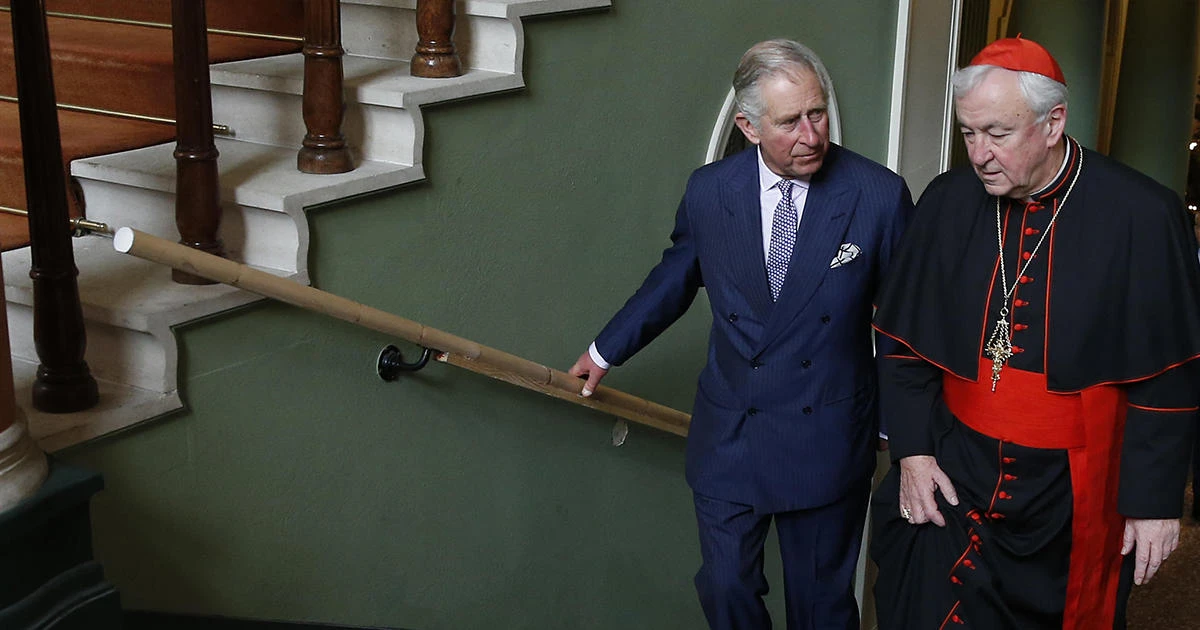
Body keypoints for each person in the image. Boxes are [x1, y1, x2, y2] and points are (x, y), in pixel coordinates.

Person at [568, 39, 912, 629]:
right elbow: (674, 278)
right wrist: (605, 349)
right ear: (749, 127)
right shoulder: (710, 190)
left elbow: (903, 319)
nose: (812, 134)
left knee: (821, 608)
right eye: (789, 122)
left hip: (826, 431)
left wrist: (890, 422)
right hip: (731, 429)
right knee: (725, 589)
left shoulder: (878, 195)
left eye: (818, 112)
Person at [869, 36, 1200, 630]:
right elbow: (904, 346)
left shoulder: (1142, 214)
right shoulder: (947, 202)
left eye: (998, 133)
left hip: (1070, 493)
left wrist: (1154, 504)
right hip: (956, 468)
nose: (980, 154)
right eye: (969, 133)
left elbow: (1167, 376)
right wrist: (913, 453)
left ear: (1053, 123)